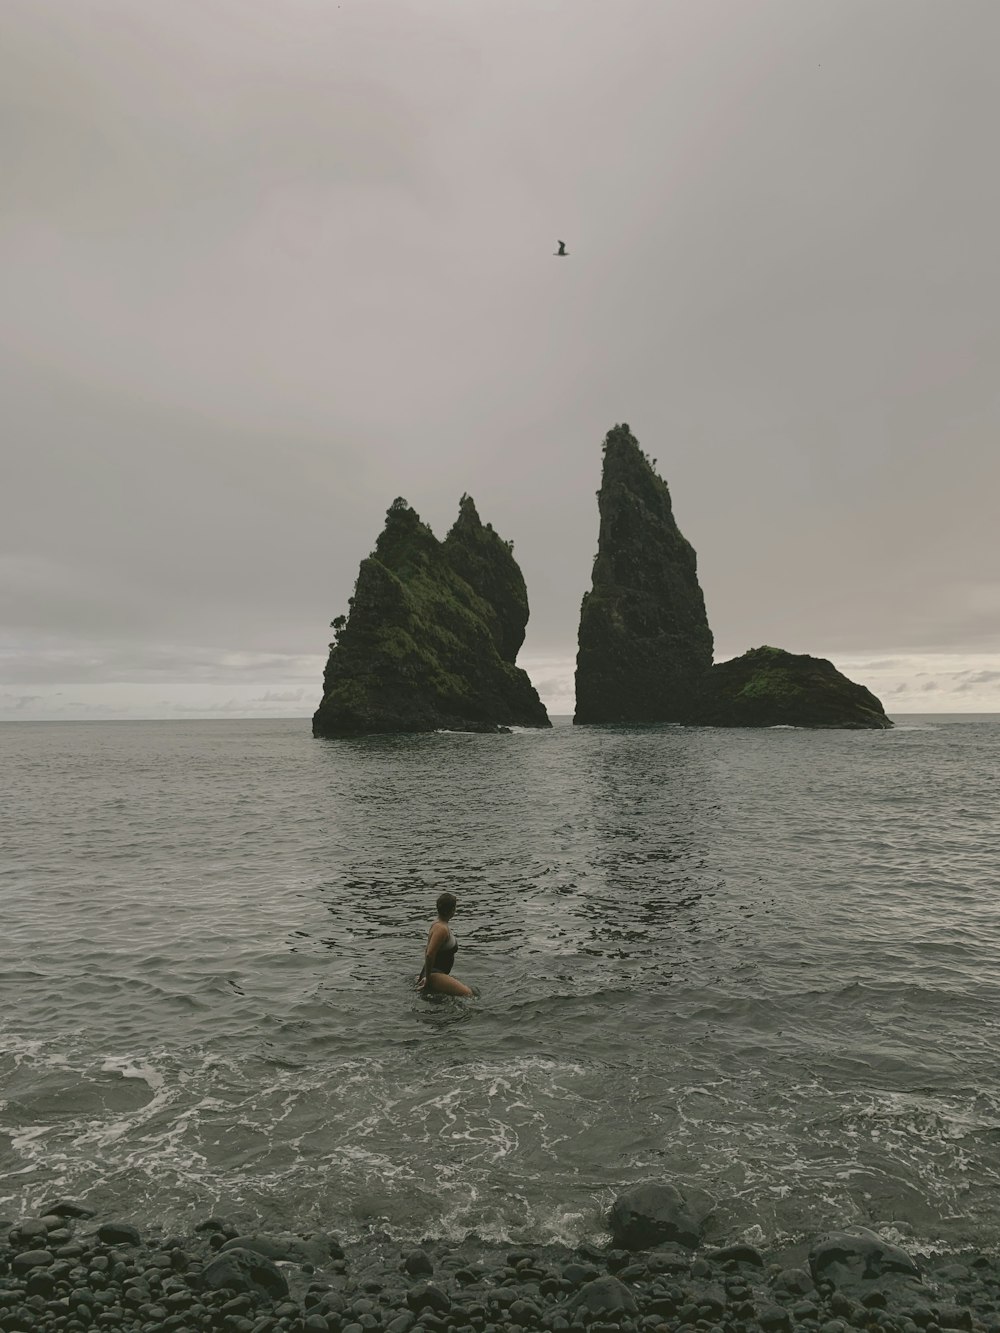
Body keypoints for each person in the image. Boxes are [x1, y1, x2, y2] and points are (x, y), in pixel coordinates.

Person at [416, 892, 473, 997]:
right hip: (435, 974)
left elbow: (427, 950)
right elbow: (429, 954)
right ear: (452, 910)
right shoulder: (441, 929)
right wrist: (428, 978)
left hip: (434, 973)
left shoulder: (438, 924)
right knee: (468, 993)